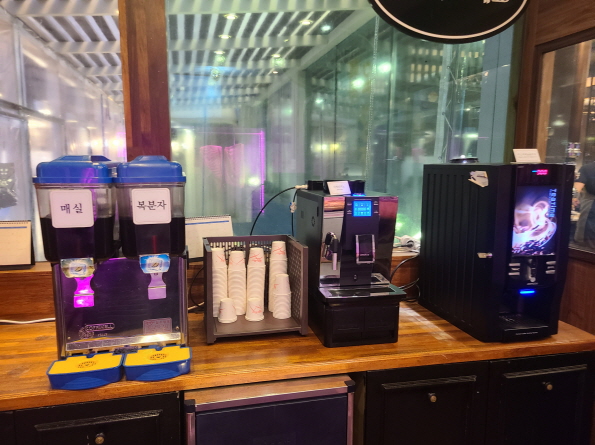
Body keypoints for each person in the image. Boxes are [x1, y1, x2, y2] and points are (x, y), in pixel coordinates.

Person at [574, 161, 595, 250]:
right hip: (591, 206)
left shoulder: (587, 168)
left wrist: (574, 197)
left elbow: (576, 188)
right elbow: (576, 189)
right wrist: (574, 197)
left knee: (585, 244)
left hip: (591, 208)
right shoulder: (588, 168)